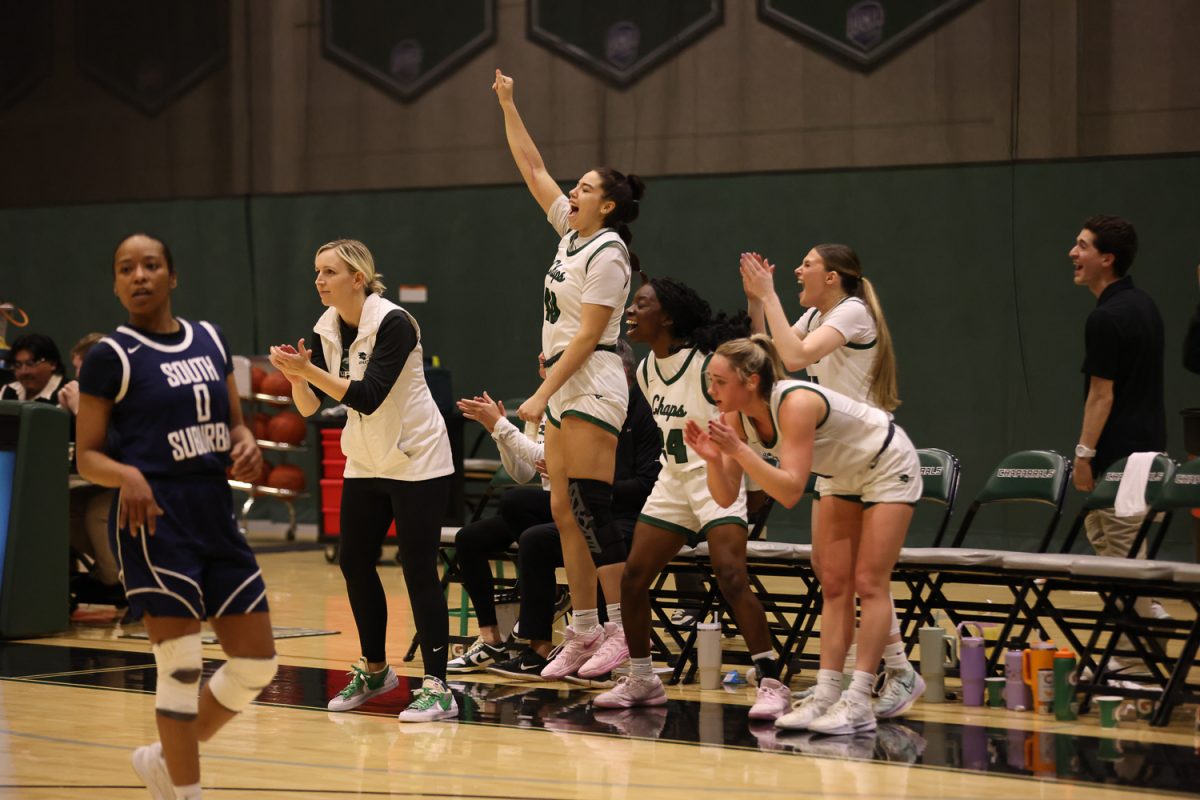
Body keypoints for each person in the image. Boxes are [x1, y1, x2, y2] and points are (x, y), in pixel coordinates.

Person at [76, 233, 277, 800]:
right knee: (181, 669)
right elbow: (87, 455)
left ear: (172, 275)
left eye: (150, 265)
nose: (138, 276)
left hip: (214, 515)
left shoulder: (210, 340)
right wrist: (128, 475)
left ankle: (166, 759)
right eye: (125, 269)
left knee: (257, 664)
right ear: (116, 285)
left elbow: (236, 423)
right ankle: (186, 791)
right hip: (154, 522)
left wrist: (248, 444)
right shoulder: (109, 357)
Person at [684, 335, 920, 735]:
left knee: (869, 581)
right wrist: (712, 460)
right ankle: (828, 693)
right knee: (833, 583)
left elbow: (790, 491)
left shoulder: (795, 402)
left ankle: (860, 699)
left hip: (886, 462)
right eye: (709, 380)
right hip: (841, 475)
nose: (711, 391)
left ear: (751, 381)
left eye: (719, 381)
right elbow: (725, 496)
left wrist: (739, 451)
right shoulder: (733, 419)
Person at [494, 68, 645, 680]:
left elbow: (589, 335)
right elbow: (532, 168)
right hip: (565, 380)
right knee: (561, 511)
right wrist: (508, 101)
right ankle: (582, 629)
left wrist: (539, 393)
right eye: (574, 186)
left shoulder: (609, 251)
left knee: (591, 509)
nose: (571, 192)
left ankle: (621, 633)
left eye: (584, 188)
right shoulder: (570, 234)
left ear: (606, 204)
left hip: (593, 381)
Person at [268, 239, 457, 722]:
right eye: (315, 271)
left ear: (358, 278)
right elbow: (313, 409)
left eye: (328, 271)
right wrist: (296, 378)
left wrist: (308, 369)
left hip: (416, 458)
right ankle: (376, 670)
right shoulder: (329, 326)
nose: (318, 280)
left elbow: (368, 395)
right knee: (354, 562)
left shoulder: (393, 322)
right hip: (367, 458)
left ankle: (438, 686)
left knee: (418, 569)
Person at [594, 278, 792, 721]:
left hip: (716, 475)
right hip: (673, 481)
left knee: (731, 576)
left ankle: (772, 681)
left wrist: (755, 301)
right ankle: (643, 678)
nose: (631, 310)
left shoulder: (706, 364)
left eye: (640, 304)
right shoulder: (645, 370)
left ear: (665, 316)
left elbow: (752, 363)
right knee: (633, 578)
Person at [740, 245, 923, 717]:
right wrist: (757, 302)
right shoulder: (814, 316)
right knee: (833, 575)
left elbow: (797, 358)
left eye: (807, 264)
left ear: (834, 276)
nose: (798, 269)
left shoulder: (853, 311)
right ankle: (842, 685)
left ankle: (891, 675)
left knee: (866, 579)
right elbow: (765, 359)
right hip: (832, 457)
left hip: (870, 451)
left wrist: (772, 294)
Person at [451, 342, 660, 679]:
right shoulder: (555, 401)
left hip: (607, 509)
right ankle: (494, 636)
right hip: (561, 505)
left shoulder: (617, 406)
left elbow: (636, 483)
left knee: (535, 536)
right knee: (484, 526)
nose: (545, 360)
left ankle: (541, 637)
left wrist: (503, 428)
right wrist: (498, 431)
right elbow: (526, 471)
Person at [1069, 216, 1166, 556]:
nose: (1072, 253)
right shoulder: (1145, 305)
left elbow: (1101, 395)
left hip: (1120, 465)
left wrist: (1084, 455)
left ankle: (1143, 609)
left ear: (1107, 259)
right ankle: (1140, 608)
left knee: (1125, 569)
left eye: (1083, 246)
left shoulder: (1106, 318)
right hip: (1150, 456)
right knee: (1102, 539)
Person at [64, 331, 124, 609]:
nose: (78, 377)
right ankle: (106, 574)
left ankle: (120, 581)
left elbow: (114, 448)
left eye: (82, 369)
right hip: (117, 480)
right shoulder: (90, 395)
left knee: (98, 512)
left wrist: (80, 411)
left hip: (146, 481)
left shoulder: (122, 392)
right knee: (69, 505)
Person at [2, 332, 66, 403]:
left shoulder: (70, 394)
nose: (24, 372)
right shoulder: (9, 391)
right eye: (18, 365)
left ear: (52, 364)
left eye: (31, 363)